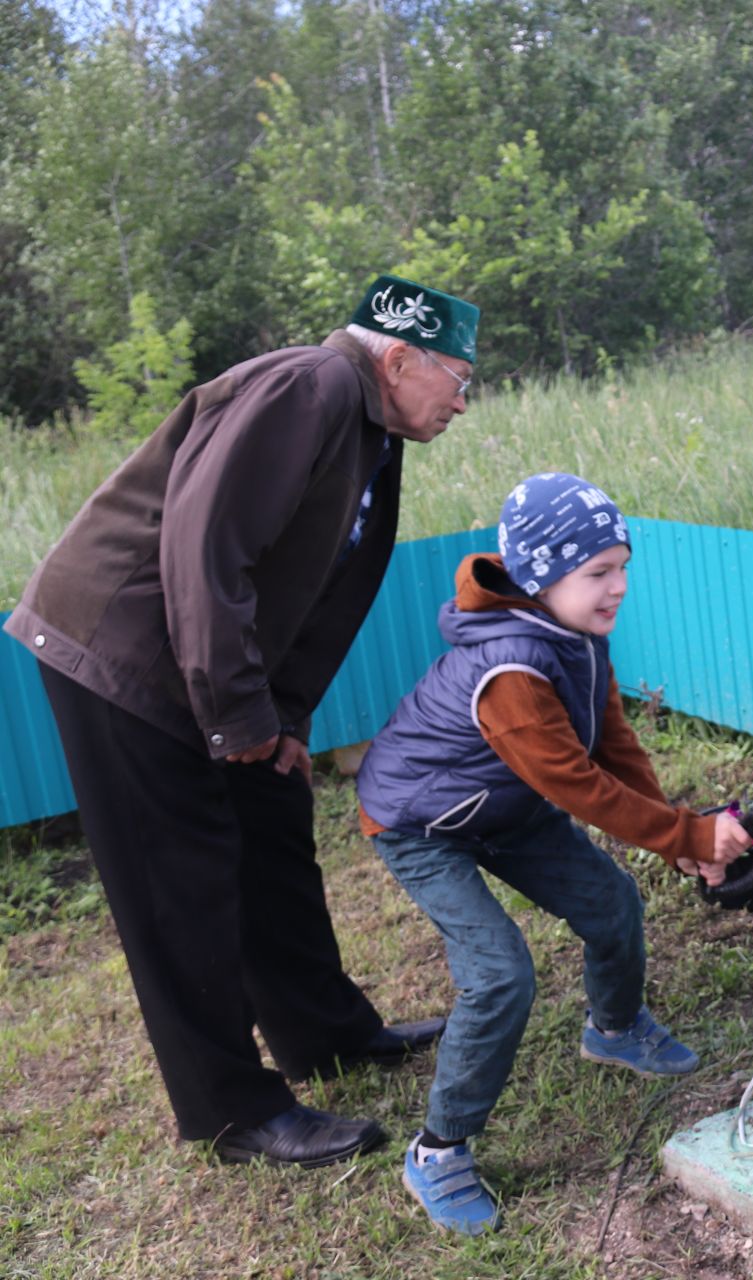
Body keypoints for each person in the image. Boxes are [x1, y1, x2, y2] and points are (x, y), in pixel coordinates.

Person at [6, 275, 481, 1169]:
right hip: (121, 653)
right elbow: (204, 544)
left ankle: (326, 1034)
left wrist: (281, 720)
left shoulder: (373, 430)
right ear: (400, 356)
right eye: (459, 377)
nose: (464, 400)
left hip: (202, 657)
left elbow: (316, 591)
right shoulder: (313, 386)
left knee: (271, 823)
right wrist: (234, 716)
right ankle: (232, 1108)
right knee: (177, 880)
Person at [355, 471, 753, 1235]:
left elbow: (612, 744)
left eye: (623, 567)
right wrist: (689, 835)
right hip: (420, 819)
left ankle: (614, 1027)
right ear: (541, 577)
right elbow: (577, 785)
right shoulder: (510, 671)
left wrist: (676, 834)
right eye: (598, 573)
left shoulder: (576, 639)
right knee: (500, 974)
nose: (620, 588)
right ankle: (438, 1151)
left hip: (504, 803)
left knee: (610, 903)